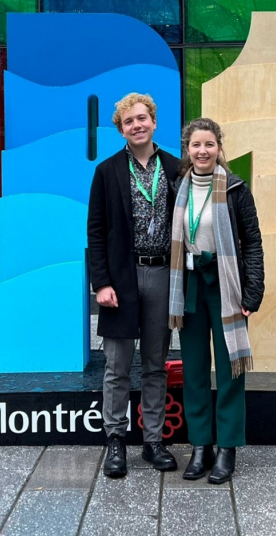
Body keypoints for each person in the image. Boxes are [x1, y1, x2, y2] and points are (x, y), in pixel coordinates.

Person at [87, 93, 182, 478]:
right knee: (117, 365)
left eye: (142, 118)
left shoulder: (177, 168)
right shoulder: (107, 171)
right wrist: (101, 283)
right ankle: (114, 440)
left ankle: (153, 440)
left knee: (157, 364)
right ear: (121, 129)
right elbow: (96, 231)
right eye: (129, 122)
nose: (137, 125)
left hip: (163, 275)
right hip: (123, 279)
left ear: (154, 122)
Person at [170, 118, 264, 484]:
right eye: (196, 145)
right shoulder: (179, 188)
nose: (203, 151)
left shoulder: (237, 189)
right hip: (191, 285)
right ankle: (200, 447)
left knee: (230, 371)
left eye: (209, 144)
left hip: (226, 287)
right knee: (193, 370)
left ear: (219, 148)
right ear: (187, 149)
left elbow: (253, 243)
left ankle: (227, 448)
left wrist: (253, 292)